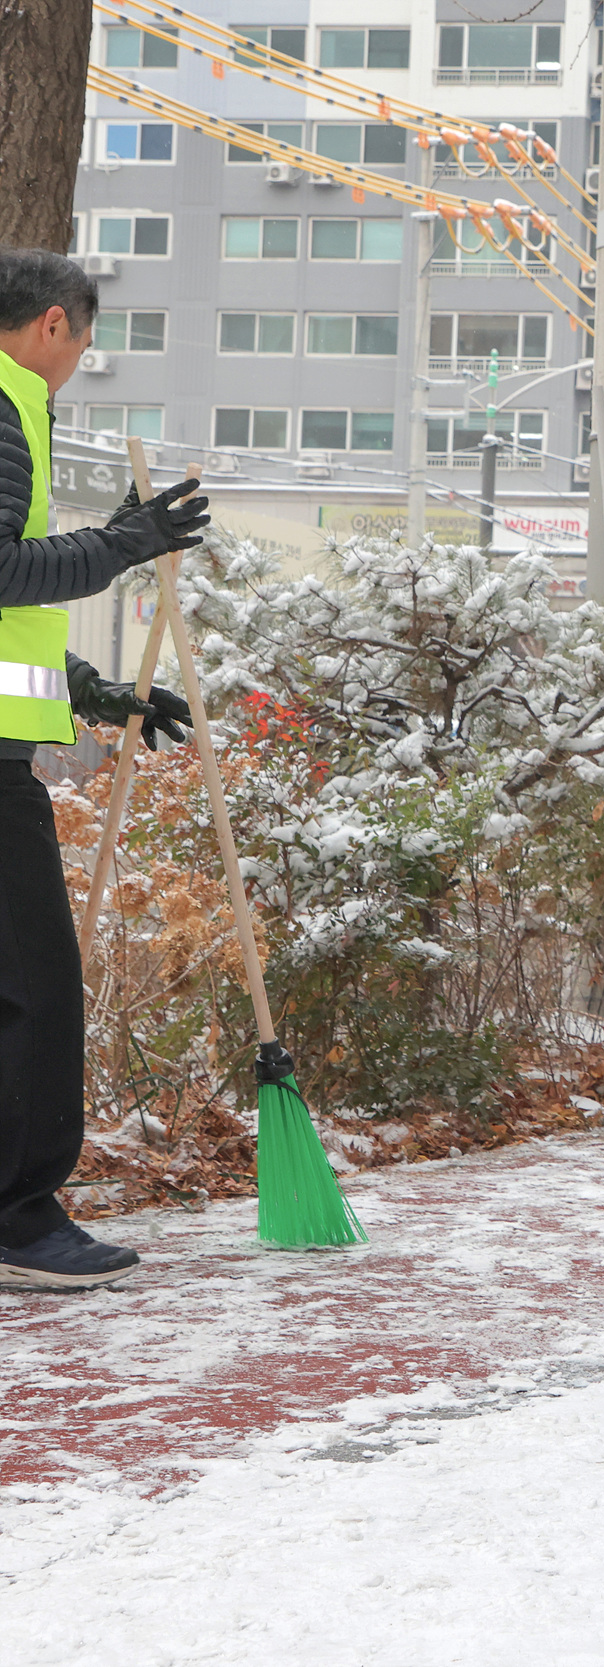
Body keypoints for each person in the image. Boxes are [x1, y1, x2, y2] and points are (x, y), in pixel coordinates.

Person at [0, 248, 207, 1288]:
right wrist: (122, 542)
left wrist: (99, 692)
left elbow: (13, 614)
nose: (81, 359)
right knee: (33, 988)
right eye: (83, 340)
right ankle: (21, 1217)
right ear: (50, 325)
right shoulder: (5, 404)